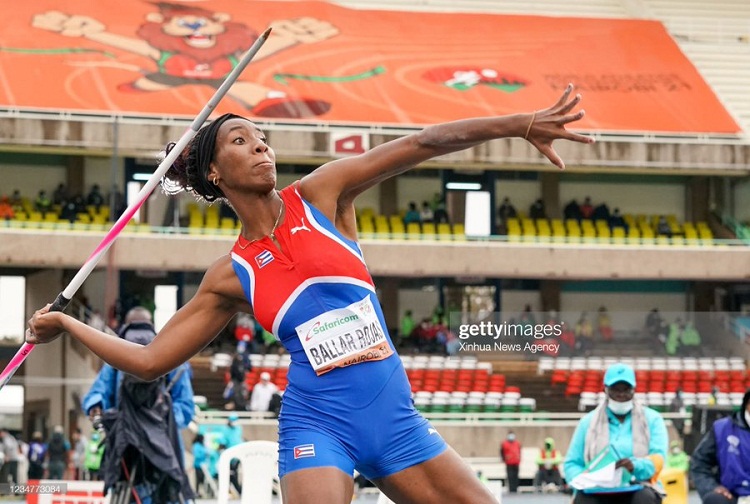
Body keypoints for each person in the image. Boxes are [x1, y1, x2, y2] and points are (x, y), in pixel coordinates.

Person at [26, 84, 593, 503]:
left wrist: (519, 122)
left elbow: (423, 143)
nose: (261, 148)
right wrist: (69, 324)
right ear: (216, 174)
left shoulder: (321, 195)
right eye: (241, 141)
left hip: (396, 423)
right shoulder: (231, 275)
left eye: (263, 140)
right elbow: (149, 363)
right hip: (316, 423)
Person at [563, 362, 668, 504]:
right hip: (597, 488)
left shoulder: (653, 420)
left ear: (634, 390)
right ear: (605, 390)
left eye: (626, 390)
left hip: (638, 485)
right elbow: (572, 463)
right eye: (615, 389)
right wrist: (585, 479)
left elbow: (658, 459)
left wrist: (635, 466)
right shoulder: (587, 422)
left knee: (644, 498)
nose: (621, 395)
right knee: (583, 500)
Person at [690, 388, 750, 504]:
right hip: (732, 495)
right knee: (715, 499)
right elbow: (699, 463)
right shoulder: (722, 428)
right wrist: (711, 487)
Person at [191, 433, 209, 498]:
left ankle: (204, 492)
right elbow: (196, 455)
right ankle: (197, 492)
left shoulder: (203, 445)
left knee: (203, 480)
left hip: (204, 465)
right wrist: (204, 454)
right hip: (198, 465)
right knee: (198, 480)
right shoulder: (196, 446)